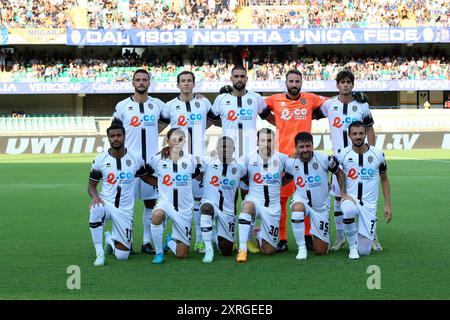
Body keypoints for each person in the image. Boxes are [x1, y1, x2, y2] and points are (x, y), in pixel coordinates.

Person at [264, 69, 327, 253]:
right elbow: (258, 108)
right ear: (285, 82)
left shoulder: (310, 99)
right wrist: (276, 121)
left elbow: (331, 104)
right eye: (290, 81)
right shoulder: (275, 100)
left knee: (308, 197)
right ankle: (281, 238)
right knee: (281, 199)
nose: (294, 84)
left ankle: (308, 236)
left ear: (301, 83)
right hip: (283, 158)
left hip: (304, 157)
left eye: (297, 81)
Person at [210, 66, 273, 254]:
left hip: (250, 156)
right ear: (230, 78)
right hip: (228, 157)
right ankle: (226, 234)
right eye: (236, 76)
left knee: (248, 197)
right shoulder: (221, 99)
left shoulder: (255, 98)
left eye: (242, 76)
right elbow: (211, 119)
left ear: (247, 78)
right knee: (229, 196)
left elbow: (269, 117)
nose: (239, 79)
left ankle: (248, 238)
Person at [319, 70, 379, 252]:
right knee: (339, 198)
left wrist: (372, 154)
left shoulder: (362, 105)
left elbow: (369, 130)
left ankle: (372, 236)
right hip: (339, 159)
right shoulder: (328, 105)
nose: (345, 85)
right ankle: (340, 237)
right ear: (337, 85)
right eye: (342, 82)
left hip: (359, 159)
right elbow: (309, 108)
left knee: (366, 199)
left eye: (348, 82)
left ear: (353, 84)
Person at [112, 69, 169, 255]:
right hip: (129, 164)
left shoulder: (159, 105)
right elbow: (115, 133)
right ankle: (121, 240)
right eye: (138, 79)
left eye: (145, 79)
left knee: (150, 204)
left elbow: (174, 117)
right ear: (133, 83)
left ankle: (146, 242)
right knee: (124, 205)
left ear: (149, 82)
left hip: (151, 164)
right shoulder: (122, 106)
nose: (141, 82)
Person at [87, 124, 155, 266]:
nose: (115, 139)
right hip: (106, 204)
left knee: (122, 256)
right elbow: (91, 186)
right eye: (112, 136)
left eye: (118, 135)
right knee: (95, 208)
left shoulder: (136, 158)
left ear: (124, 137)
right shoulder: (100, 159)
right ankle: (99, 254)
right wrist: (95, 197)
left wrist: (167, 184)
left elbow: (147, 178)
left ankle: (109, 239)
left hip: (124, 211)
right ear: (108, 139)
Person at [163, 71, 213, 254]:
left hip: (199, 158)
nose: (186, 83)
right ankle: (177, 236)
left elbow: (215, 119)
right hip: (179, 161)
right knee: (180, 200)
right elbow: (159, 126)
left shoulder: (204, 102)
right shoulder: (170, 106)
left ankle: (200, 240)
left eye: (189, 81)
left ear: (194, 84)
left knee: (199, 200)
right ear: (178, 85)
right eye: (182, 81)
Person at [335, 121, 392, 259]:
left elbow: (384, 178)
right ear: (349, 135)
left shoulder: (378, 154)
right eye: (354, 133)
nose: (358, 136)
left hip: (369, 204)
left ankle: (369, 235)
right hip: (351, 199)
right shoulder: (342, 153)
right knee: (348, 210)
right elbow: (331, 167)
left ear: (366, 134)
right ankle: (352, 248)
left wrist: (388, 204)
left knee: (365, 251)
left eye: (361, 133)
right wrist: (343, 193)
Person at [149, 128, 202, 264]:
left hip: (184, 209)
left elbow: (199, 175)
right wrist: (159, 185)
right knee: (157, 215)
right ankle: (159, 253)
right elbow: (145, 172)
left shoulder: (191, 160)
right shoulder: (157, 159)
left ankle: (170, 241)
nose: (177, 142)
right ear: (168, 141)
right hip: (165, 203)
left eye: (180, 139)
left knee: (182, 254)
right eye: (174, 139)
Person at [284, 132, 341, 259]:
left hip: (320, 208)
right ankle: (302, 248)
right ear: (296, 148)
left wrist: (343, 193)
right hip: (302, 201)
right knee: (297, 209)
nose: (305, 150)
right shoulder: (290, 163)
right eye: (301, 147)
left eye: (308, 146)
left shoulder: (324, 159)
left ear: (312, 146)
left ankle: (319, 238)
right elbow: (286, 179)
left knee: (320, 251)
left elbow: (339, 173)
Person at [236, 128, 289, 263]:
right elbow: (240, 175)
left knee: (268, 251)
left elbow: (292, 174)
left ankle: (260, 234)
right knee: (247, 205)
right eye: (263, 140)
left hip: (273, 207)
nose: (266, 144)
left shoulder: (282, 158)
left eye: (270, 140)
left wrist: (278, 184)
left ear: (274, 142)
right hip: (255, 201)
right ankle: (242, 249)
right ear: (257, 142)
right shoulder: (248, 157)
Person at [200, 136, 247, 263]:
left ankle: (215, 236)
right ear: (217, 149)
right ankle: (208, 249)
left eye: (229, 147)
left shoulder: (240, 167)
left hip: (227, 211)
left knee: (227, 251)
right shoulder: (207, 162)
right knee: (206, 208)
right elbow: (186, 158)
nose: (226, 149)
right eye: (223, 146)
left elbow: (238, 191)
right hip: (211, 204)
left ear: (234, 149)